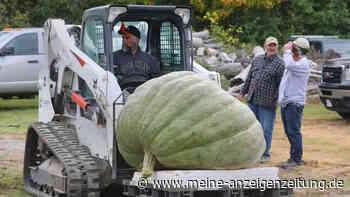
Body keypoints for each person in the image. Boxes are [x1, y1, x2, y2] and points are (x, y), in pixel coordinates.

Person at [239, 36, 285, 163]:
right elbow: (249, 77)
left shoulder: (280, 63)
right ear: (265, 46)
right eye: (270, 45)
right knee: (251, 128)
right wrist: (243, 92)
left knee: (266, 129)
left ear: (277, 47)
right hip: (253, 99)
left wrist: (279, 100)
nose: (272, 47)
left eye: (274, 45)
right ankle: (251, 152)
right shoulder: (257, 59)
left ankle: (265, 153)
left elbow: (281, 84)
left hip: (268, 102)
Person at [279, 37, 311, 169]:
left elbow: (288, 64)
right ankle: (294, 157)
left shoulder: (302, 64)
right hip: (287, 102)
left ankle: (296, 159)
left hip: (294, 103)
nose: (291, 50)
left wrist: (286, 51)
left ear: (297, 50)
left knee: (293, 131)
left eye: (294, 48)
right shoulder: (293, 61)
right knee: (289, 131)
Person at [113, 25, 161, 93]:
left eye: (127, 38)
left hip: (145, 93)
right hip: (121, 95)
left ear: (137, 39)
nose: (124, 41)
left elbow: (156, 82)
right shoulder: (114, 57)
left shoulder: (151, 59)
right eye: (123, 38)